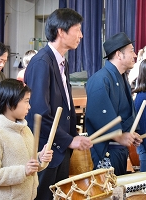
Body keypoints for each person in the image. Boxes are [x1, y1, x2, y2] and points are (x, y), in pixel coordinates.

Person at [24, 8, 93, 200]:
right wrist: (68, 140)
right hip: (46, 150)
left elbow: (66, 107)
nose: (81, 34)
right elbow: (38, 112)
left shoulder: (62, 61)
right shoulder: (41, 62)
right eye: (77, 29)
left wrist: (75, 136)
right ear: (61, 32)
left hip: (60, 149)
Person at [0, 79, 53, 200]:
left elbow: (29, 163)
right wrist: (24, 171)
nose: (29, 106)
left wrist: (40, 158)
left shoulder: (25, 130)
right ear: (9, 103)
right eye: (26, 101)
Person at [85, 32, 142, 176]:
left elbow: (124, 112)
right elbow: (99, 116)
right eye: (131, 51)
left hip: (120, 149)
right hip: (107, 150)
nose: (135, 55)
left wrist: (130, 134)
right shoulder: (100, 79)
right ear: (119, 54)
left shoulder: (121, 77)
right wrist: (119, 136)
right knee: (108, 194)